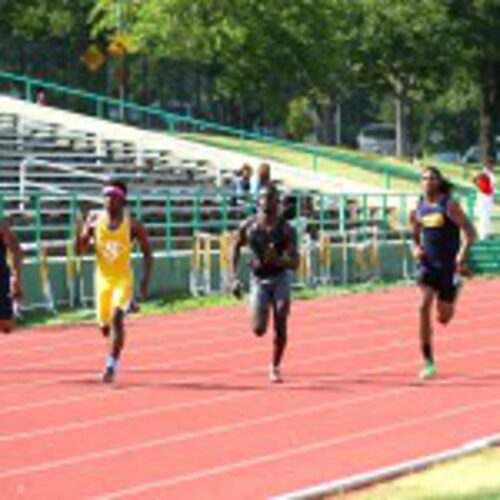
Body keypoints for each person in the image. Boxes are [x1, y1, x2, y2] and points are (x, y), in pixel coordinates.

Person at [75, 179, 153, 383]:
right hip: (102, 279)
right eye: (105, 196)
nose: (108, 201)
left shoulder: (133, 225)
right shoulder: (94, 219)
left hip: (122, 279)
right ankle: (114, 338)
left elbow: (147, 253)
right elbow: (79, 251)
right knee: (104, 328)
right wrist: (82, 232)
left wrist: (144, 282)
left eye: (112, 197)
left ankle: (111, 365)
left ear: (122, 200)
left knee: (117, 318)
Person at [410, 166, 476, 380]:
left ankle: (456, 287)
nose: (427, 181)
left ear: (439, 182)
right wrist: (416, 249)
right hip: (427, 265)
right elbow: (415, 234)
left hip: (447, 267)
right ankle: (428, 361)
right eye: (424, 178)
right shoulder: (418, 207)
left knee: (444, 318)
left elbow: (470, 233)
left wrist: (461, 257)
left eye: (432, 178)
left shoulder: (449, 205)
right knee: (423, 305)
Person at [231, 184, 299, 383]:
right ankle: (258, 306)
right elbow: (234, 247)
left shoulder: (286, 230)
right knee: (259, 330)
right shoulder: (249, 226)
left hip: (280, 278)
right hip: (259, 279)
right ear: (258, 201)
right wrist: (233, 278)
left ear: (277, 202)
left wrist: (278, 260)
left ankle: (275, 366)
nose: (266, 202)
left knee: (281, 318)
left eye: (271, 198)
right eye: (263, 198)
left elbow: (295, 263)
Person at [0, 220, 23, 333]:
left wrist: (16, 278)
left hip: (2, 278)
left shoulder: (2, 227)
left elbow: (16, 250)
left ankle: (15, 307)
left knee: (7, 326)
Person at [473, 158, 495, 240]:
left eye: (492, 164)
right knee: (483, 216)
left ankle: (486, 234)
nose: (492, 165)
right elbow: (474, 179)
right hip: (483, 197)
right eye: (490, 164)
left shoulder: (490, 173)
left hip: (489, 196)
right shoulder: (483, 172)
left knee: (487, 215)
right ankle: (482, 235)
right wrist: (480, 188)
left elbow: (491, 185)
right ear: (486, 164)